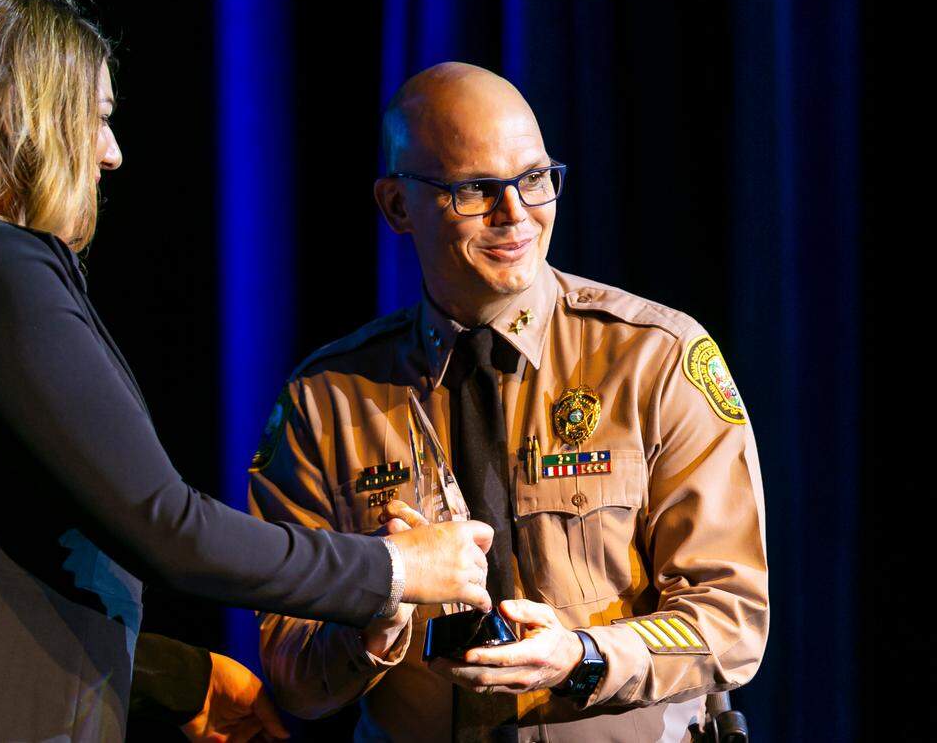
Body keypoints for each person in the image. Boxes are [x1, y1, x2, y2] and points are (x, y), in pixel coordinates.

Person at [0, 0, 493, 742]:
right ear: (29, 122)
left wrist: (173, 676)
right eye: (96, 117)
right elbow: (168, 526)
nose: (111, 152)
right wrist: (393, 568)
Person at [250, 62, 768, 742]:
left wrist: (583, 656)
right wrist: (376, 606)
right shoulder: (327, 401)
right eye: (475, 189)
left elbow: (732, 617)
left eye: (534, 178)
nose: (516, 213)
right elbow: (292, 673)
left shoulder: (655, 359)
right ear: (398, 206)